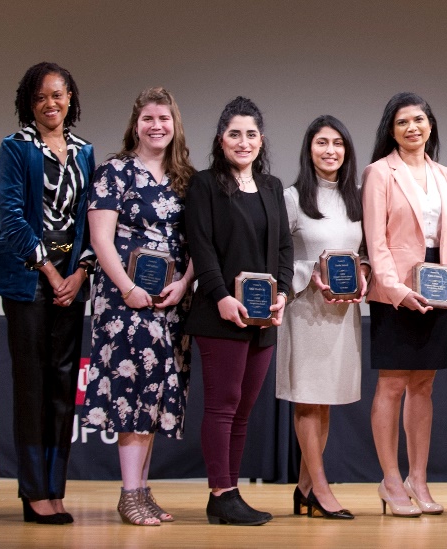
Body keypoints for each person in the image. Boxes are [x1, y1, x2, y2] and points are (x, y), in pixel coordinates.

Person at [0, 61, 95, 524]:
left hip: (71, 283)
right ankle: (33, 493)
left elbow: (91, 219)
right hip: (28, 281)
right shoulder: (16, 147)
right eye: (41, 97)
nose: (51, 103)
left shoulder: (86, 152)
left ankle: (55, 488)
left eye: (58, 94)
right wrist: (50, 272)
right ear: (29, 103)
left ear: (70, 99)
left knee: (63, 387)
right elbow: (11, 217)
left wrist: (80, 273)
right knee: (32, 386)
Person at [81, 88, 195, 526]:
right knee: (133, 391)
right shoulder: (114, 172)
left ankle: (142, 491)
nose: (156, 126)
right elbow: (100, 240)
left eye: (164, 118)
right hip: (124, 300)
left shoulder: (185, 179)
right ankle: (129, 493)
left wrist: (185, 282)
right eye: (148, 118)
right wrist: (128, 288)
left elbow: (199, 241)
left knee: (157, 393)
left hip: (171, 303)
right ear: (136, 125)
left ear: (174, 124)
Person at [185, 96, 293, 526]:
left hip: (264, 319)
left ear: (261, 139)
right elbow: (201, 247)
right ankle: (221, 492)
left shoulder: (271, 186)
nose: (243, 142)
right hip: (220, 315)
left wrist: (283, 293)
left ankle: (228, 493)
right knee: (223, 406)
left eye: (250, 134)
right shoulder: (204, 184)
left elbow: (283, 247)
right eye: (234, 134)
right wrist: (221, 296)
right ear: (221, 139)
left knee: (243, 410)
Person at [363, 92, 447, 518]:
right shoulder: (378, 172)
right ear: (392, 130)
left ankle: (417, 479)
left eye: (419, 120)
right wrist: (395, 290)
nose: (412, 128)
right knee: (391, 384)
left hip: (437, 285)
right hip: (395, 290)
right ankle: (390, 480)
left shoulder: (445, 174)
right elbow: (376, 240)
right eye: (403, 122)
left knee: (424, 384)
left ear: (430, 125)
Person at [277, 115, 365, 520]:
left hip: (343, 312)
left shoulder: (356, 199)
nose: (330, 150)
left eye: (338, 143)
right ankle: (321, 488)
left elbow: (361, 254)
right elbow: (279, 257)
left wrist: (363, 275)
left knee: (324, 402)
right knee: (309, 400)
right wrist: (308, 273)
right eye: (321, 143)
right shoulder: (293, 198)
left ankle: (305, 488)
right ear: (308, 149)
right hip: (306, 310)